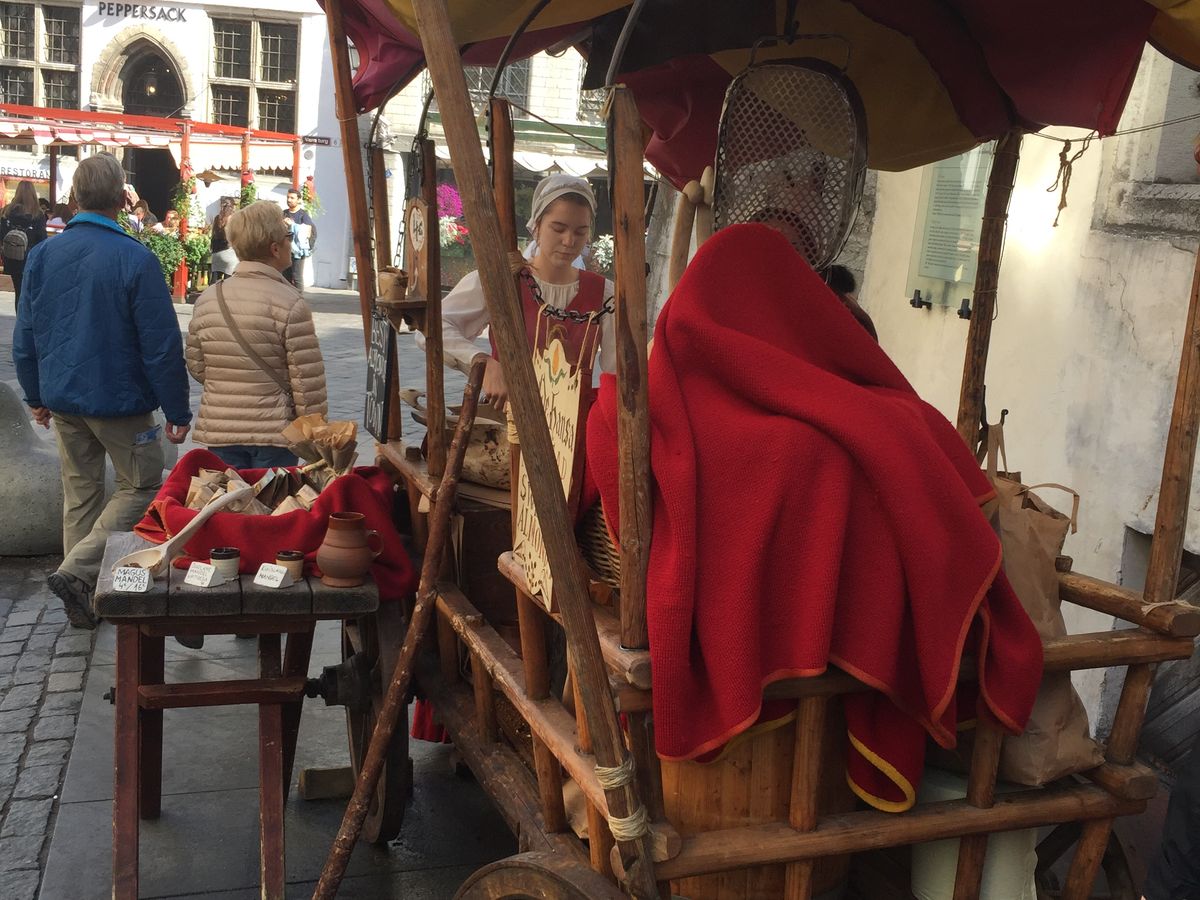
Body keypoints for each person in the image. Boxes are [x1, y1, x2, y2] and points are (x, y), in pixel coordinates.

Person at [12, 153, 192, 629]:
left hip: (64, 396)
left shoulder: (44, 255)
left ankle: (82, 594)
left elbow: (25, 332)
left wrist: (35, 394)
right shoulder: (135, 257)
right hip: (120, 399)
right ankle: (77, 574)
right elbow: (160, 343)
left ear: (75, 198)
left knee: (81, 494)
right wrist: (176, 408)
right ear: (121, 199)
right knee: (144, 485)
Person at [416, 173, 615, 410]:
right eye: (558, 228)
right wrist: (482, 362)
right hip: (507, 419)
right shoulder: (501, 281)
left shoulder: (604, 293)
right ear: (536, 226)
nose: (569, 241)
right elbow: (431, 328)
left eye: (580, 232)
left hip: (575, 424)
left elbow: (617, 370)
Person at [186, 200, 327, 469]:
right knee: (273, 495)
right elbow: (307, 382)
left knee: (228, 495)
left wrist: (231, 383)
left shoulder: (209, 299)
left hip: (221, 428)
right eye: (288, 237)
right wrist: (317, 434)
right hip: (274, 431)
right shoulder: (290, 302)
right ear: (275, 248)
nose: (290, 243)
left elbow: (197, 364)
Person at [1, 180, 49, 308]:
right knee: (30, 292)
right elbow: (42, 239)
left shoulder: (6, 212)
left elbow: (1, 235)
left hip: (11, 257)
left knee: (18, 291)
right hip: (30, 258)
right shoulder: (37, 214)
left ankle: (20, 316)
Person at [281, 188, 316, 288]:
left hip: (298, 251)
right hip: (286, 249)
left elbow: (307, 232)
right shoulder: (283, 213)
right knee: (285, 277)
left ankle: (299, 296)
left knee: (297, 276)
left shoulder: (303, 215)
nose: (289, 200)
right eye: (288, 197)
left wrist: (292, 225)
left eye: (292, 198)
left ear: (299, 200)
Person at [209, 197, 238, 281]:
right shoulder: (232, 218)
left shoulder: (217, 218)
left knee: (215, 281)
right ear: (231, 207)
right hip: (228, 253)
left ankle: (213, 289)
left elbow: (213, 234)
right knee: (228, 282)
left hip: (216, 254)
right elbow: (229, 236)